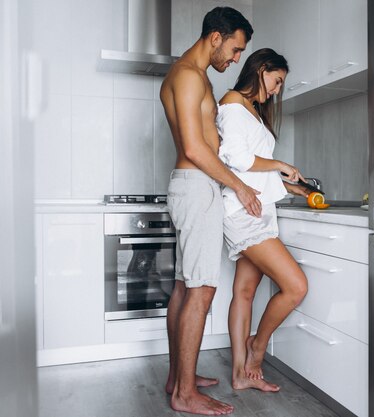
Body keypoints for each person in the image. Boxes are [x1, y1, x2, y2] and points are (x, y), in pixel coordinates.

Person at [159, 6, 258, 416]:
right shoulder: (186, 75)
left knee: (186, 286)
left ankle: (178, 376)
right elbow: (194, 149)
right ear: (214, 37)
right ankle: (184, 393)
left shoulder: (197, 79)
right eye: (235, 49)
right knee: (201, 289)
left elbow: (208, 140)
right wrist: (240, 185)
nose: (235, 59)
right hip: (196, 188)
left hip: (197, 189)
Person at [216, 48, 310, 392]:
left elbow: (256, 167)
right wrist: (281, 164)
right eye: (277, 80)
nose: (278, 89)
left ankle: (240, 374)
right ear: (261, 69)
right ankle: (256, 348)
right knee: (296, 286)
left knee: (244, 291)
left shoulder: (251, 112)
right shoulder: (232, 104)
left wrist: (289, 187)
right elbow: (237, 158)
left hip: (257, 207)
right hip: (243, 212)